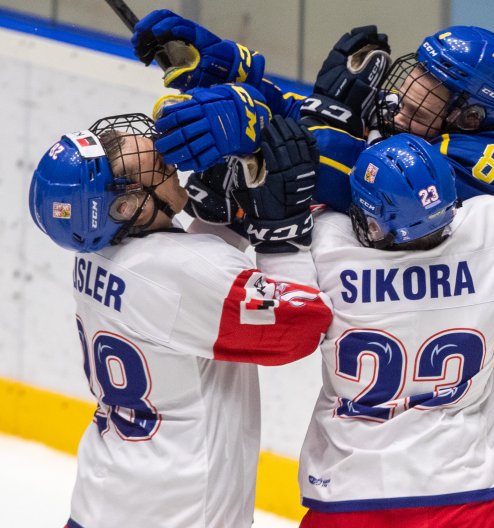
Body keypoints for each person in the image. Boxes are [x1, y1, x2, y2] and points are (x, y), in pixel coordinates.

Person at [129, 13, 494, 526]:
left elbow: (334, 161)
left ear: (470, 116)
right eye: (416, 73)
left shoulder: (481, 166)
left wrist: (253, 117)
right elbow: (323, 145)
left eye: (430, 88)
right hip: (449, 429)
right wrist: (237, 80)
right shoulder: (424, 148)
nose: (407, 89)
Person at [237, 132, 494, 527]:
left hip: (350, 497)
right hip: (468, 498)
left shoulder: (326, 247)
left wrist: (275, 233)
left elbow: (280, 316)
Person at [28, 110, 332, 528]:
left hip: (103, 506)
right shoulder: (183, 273)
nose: (165, 156)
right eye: (150, 164)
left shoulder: (94, 253)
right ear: (127, 206)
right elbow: (301, 324)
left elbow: (189, 291)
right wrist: (282, 234)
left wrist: (225, 221)